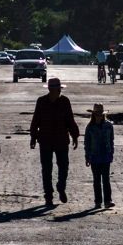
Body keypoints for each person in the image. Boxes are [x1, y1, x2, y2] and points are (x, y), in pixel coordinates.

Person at [29, 76, 80, 205]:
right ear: (52, 90)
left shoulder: (65, 101)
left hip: (61, 140)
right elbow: (35, 120)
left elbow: (70, 120)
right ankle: (48, 195)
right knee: (46, 169)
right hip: (45, 140)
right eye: (57, 89)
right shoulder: (41, 101)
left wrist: (75, 135)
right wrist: (33, 137)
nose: (58, 91)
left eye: (59, 89)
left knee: (64, 167)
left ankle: (61, 187)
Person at [84, 103, 115, 208]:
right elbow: (87, 143)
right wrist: (87, 156)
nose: (98, 116)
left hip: (106, 156)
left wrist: (111, 153)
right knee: (96, 180)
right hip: (94, 157)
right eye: (96, 114)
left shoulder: (109, 126)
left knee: (106, 179)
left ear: (103, 114)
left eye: (100, 114)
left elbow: (111, 141)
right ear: (93, 114)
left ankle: (107, 201)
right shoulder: (90, 127)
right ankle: (98, 201)